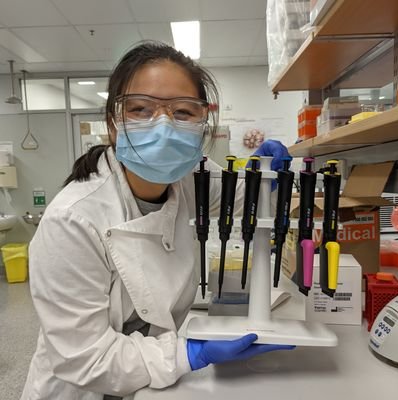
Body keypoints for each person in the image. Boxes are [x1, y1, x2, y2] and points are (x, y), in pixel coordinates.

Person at [21, 41, 293, 400]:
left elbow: (242, 198)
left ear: (203, 125)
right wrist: (189, 353)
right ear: (113, 125)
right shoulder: (71, 220)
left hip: (157, 381)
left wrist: (265, 175)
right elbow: (84, 358)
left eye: (183, 112)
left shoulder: (190, 178)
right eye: (141, 109)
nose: (163, 126)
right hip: (84, 389)